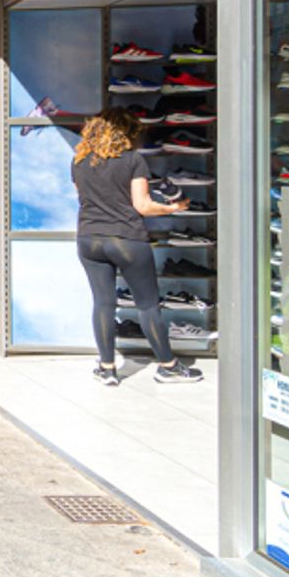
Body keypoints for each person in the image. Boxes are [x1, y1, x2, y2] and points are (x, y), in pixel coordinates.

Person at [71, 109, 202, 385]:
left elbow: (81, 198)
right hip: (126, 238)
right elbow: (142, 206)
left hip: (89, 238)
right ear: (127, 133)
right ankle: (168, 366)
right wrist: (173, 207)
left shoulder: (79, 161)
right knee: (148, 306)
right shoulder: (133, 161)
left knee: (103, 303)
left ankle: (107, 369)